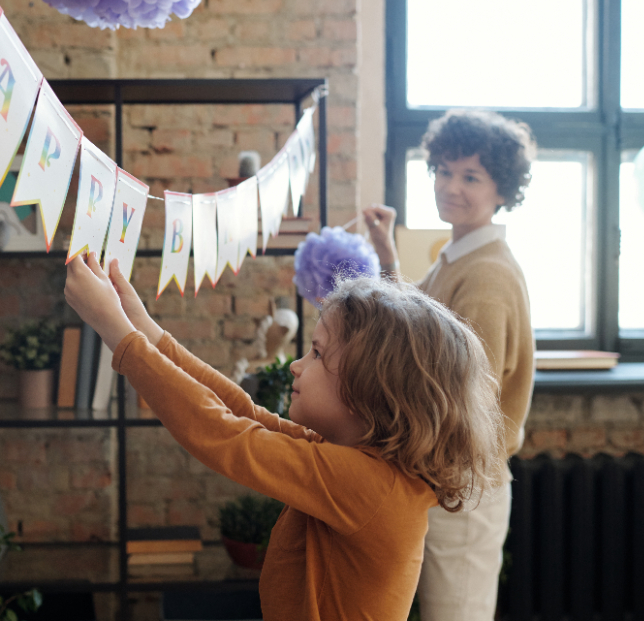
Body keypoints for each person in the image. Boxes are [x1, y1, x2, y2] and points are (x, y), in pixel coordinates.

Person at [64, 252, 507, 621]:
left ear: (369, 388)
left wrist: (117, 334)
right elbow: (244, 414)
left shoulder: (367, 484)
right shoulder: (353, 459)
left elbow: (226, 436)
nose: (297, 365)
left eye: (316, 353)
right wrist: (146, 330)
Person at [363, 109, 536, 621]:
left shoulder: (486, 275)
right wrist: (386, 255)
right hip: (447, 479)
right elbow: (421, 324)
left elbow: (466, 393)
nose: (450, 186)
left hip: (463, 484)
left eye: (470, 176)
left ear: (502, 189)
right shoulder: (458, 256)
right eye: (442, 170)